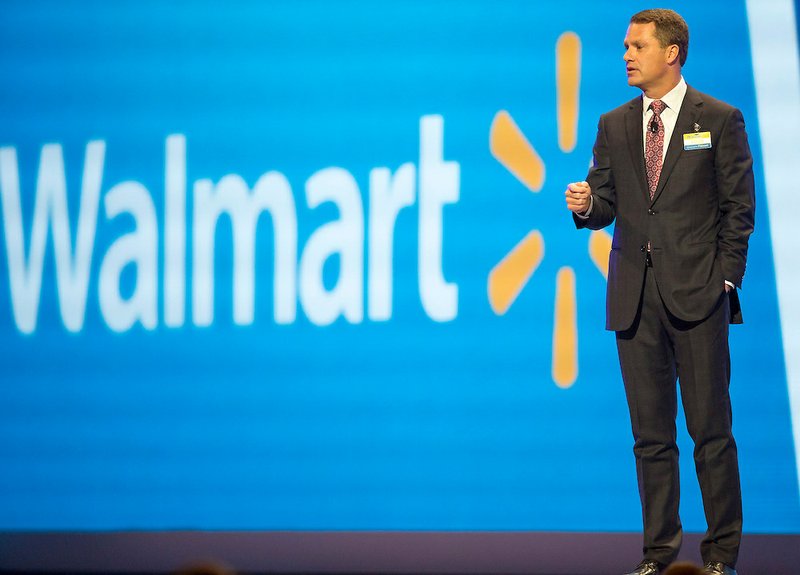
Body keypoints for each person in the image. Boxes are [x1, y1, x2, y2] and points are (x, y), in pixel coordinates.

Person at [565, 8, 755, 575]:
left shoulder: (718, 119)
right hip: (634, 300)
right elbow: (606, 204)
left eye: (637, 46)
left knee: (710, 434)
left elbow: (738, 210)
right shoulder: (614, 123)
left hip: (699, 297)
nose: (626, 54)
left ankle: (720, 556)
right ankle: (658, 555)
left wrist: (725, 278)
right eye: (626, 46)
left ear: (671, 53)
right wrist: (585, 206)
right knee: (650, 439)